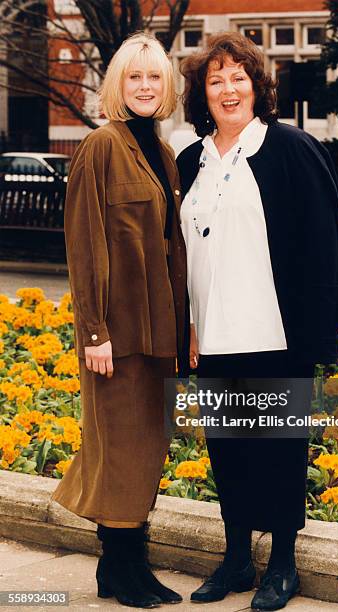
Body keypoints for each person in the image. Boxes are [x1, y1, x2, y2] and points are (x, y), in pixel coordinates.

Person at [177, 32, 338, 611]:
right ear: (202, 94)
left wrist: (323, 327)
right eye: (215, 79)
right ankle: (235, 560)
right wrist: (189, 327)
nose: (228, 89)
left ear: (257, 86)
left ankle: (282, 564)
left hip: (277, 335)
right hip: (214, 337)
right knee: (228, 451)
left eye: (238, 77)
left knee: (279, 449)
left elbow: (326, 242)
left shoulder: (291, 149)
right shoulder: (190, 160)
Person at [52, 33, 187, 609]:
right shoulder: (101, 146)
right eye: (135, 78)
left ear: (167, 87)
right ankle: (121, 567)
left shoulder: (161, 152)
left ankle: (130, 567)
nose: (145, 87)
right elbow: (84, 247)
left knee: (146, 449)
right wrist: (95, 334)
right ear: (117, 85)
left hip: (161, 333)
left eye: (154, 77)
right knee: (121, 451)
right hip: (119, 334)